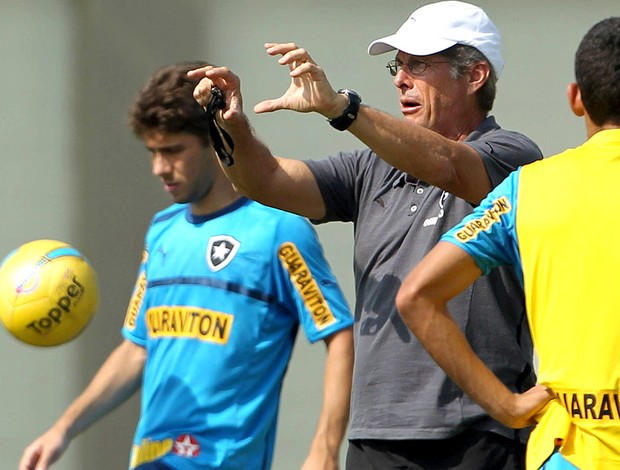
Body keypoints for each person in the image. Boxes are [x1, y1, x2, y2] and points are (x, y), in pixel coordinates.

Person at [189, 1, 543, 468]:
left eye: (418, 65)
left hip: (479, 433)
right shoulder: (372, 166)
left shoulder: (511, 155)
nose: (400, 78)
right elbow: (266, 181)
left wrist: (341, 107)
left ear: (475, 75)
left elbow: (449, 165)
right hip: (376, 435)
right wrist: (229, 123)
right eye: (400, 65)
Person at [18, 62, 354, 470]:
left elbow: (338, 334)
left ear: (214, 141)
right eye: (153, 152)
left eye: (173, 150)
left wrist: (324, 447)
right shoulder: (162, 231)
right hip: (151, 460)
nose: (159, 167)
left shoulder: (279, 229)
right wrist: (63, 429)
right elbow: (137, 348)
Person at [394, 16, 620, 470]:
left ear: (576, 99)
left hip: (571, 450)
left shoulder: (528, 189)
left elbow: (416, 296)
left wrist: (507, 406)